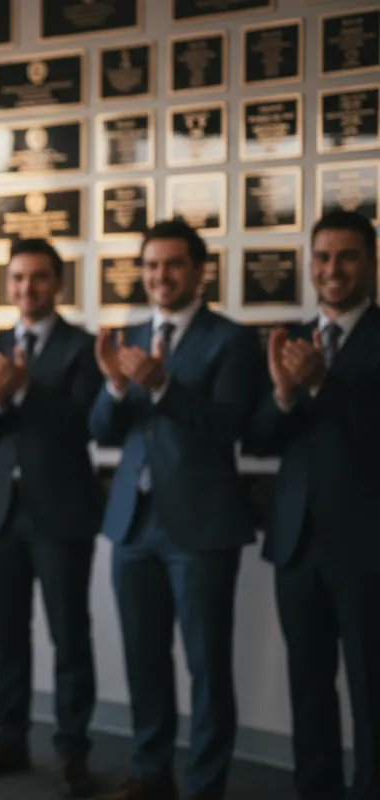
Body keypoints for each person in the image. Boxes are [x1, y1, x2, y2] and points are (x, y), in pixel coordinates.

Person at [90, 219, 261, 800]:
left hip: (200, 528)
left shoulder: (231, 340)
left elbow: (230, 428)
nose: (160, 276)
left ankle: (206, 785)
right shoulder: (130, 333)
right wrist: (115, 387)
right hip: (132, 524)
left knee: (207, 667)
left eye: (173, 265)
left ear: (198, 271)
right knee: (144, 658)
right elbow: (101, 430)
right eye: (152, 265)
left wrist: (163, 386)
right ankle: (151, 772)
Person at [0, 237, 102, 797]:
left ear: (57, 283)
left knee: (70, 636)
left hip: (61, 516)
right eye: (18, 278)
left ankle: (72, 750)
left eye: (38, 277)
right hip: (0, 514)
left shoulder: (82, 347)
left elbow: (86, 423)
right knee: (7, 634)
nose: (27, 288)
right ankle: (8, 738)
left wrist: (24, 393)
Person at [242, 210, 380, 800]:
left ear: (371, 263)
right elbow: (257, 440)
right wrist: (282, 393)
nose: (332, 270)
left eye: (347, 256)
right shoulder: (287, 340)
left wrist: (324, 385)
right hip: (297, 542)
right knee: (307, 685)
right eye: (322, 257)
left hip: (367, 547)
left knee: (372, 692)